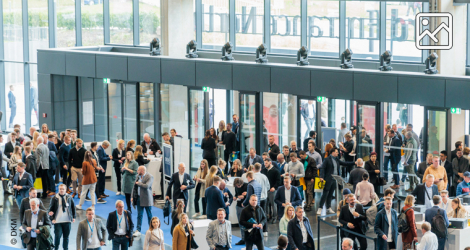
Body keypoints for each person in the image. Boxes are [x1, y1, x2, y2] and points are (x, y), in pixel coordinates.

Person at [318, 148, 355, 215]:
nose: (338, 153)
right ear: (332, 152)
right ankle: (320, 208)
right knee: (325, 194)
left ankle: (328, 207)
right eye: (336, 152)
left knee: (330, 194)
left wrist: (353, 163)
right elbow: (322, 168)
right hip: (328, 179)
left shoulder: (337, 159)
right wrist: (321, 177)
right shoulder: (327, 159)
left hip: (335, 180)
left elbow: (344, 163)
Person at [48, 184, 76, 250]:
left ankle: (65, 249)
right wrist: (52, 219)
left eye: (63, 189)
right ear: (58, 189)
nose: (61, 190)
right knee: (57, 236)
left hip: (67, 220)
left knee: (66, 237)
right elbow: (50, 210)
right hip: (57, 221)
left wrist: (74, 217)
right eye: (60, 189)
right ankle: (56, 248)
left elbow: (73, 207)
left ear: (65, 190)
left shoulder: (69, 197)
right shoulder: (54, 198)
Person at [131, 166, 154, 237]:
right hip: (139, 199)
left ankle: (152, 230)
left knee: (149, 215)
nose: (137, 172)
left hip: (147, 199)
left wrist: (139, 183)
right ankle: (138, 230)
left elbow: (147, 186)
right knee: (139, 215)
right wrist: (132, 196)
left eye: (138, 170)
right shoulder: (137, 176)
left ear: (142, 171)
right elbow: (134, 186)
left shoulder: (150, 176)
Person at [233, 178, 248, 245]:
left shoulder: (247, 186)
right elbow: (236, 194)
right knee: (240, 223)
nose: (238, 187)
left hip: (245, 206)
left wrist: (244, 196)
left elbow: (250, 196)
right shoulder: (236, 187)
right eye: (237, 186)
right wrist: (235, 197)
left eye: (239, 186)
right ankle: (243, 238)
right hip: (238, 206)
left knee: (246, 223)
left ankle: (247, 239)